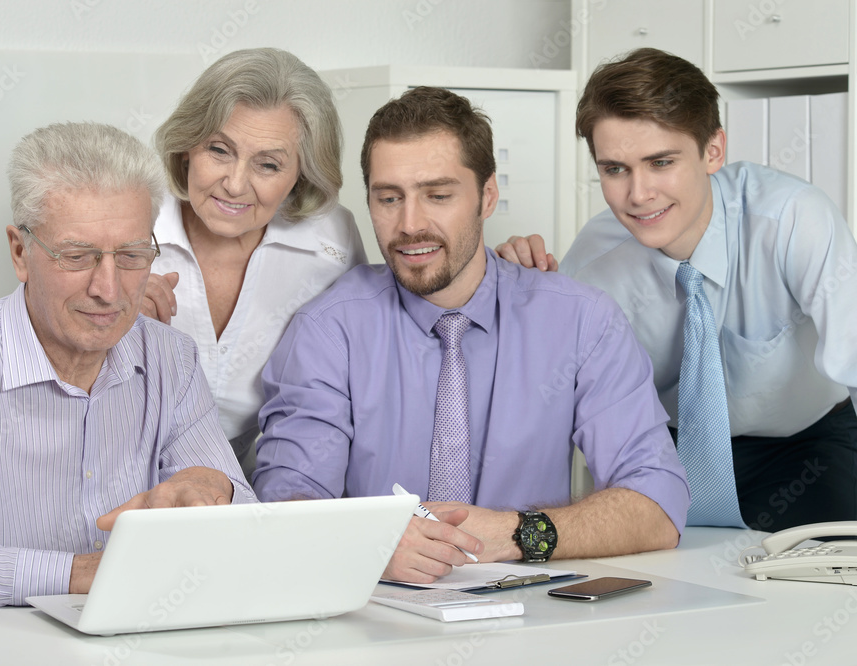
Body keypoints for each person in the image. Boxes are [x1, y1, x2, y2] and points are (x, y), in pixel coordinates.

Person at [253, 86, 690, 583]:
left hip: (534, 619)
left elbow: (659, 503)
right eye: (389, 198)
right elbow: (284, 505)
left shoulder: (580, 322)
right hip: (377, 619)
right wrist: (366, 545)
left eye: (438, 195)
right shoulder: (330, 330)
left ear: (487, 196)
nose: (410, 225)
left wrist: (519, 533)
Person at [0, 122, 256, 609]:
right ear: (20, 252)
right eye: (77, 256)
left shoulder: (173, 360)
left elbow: (239, 518)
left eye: (131, 255)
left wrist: (212, 486)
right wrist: (70, 573)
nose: (108, 289)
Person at [497, 48, 857, 533]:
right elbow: (547, 398)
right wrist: (509, 296)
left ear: (713, 150)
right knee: (664, 589)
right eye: (615, 169)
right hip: (668, 454)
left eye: (660, 162)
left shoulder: (792, 219)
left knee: (819, 582)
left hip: (804, 445)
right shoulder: (595, 262)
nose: (639, 194)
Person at [142, 48, 366, 480]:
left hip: (264, 486)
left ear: (301, 174)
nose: (235, 183)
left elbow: (386, 333)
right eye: (219, 150)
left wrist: (504, 273)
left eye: (268, 164)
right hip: (119, 477)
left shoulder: (331, 239)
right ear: (187, 147)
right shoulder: (133, 218)